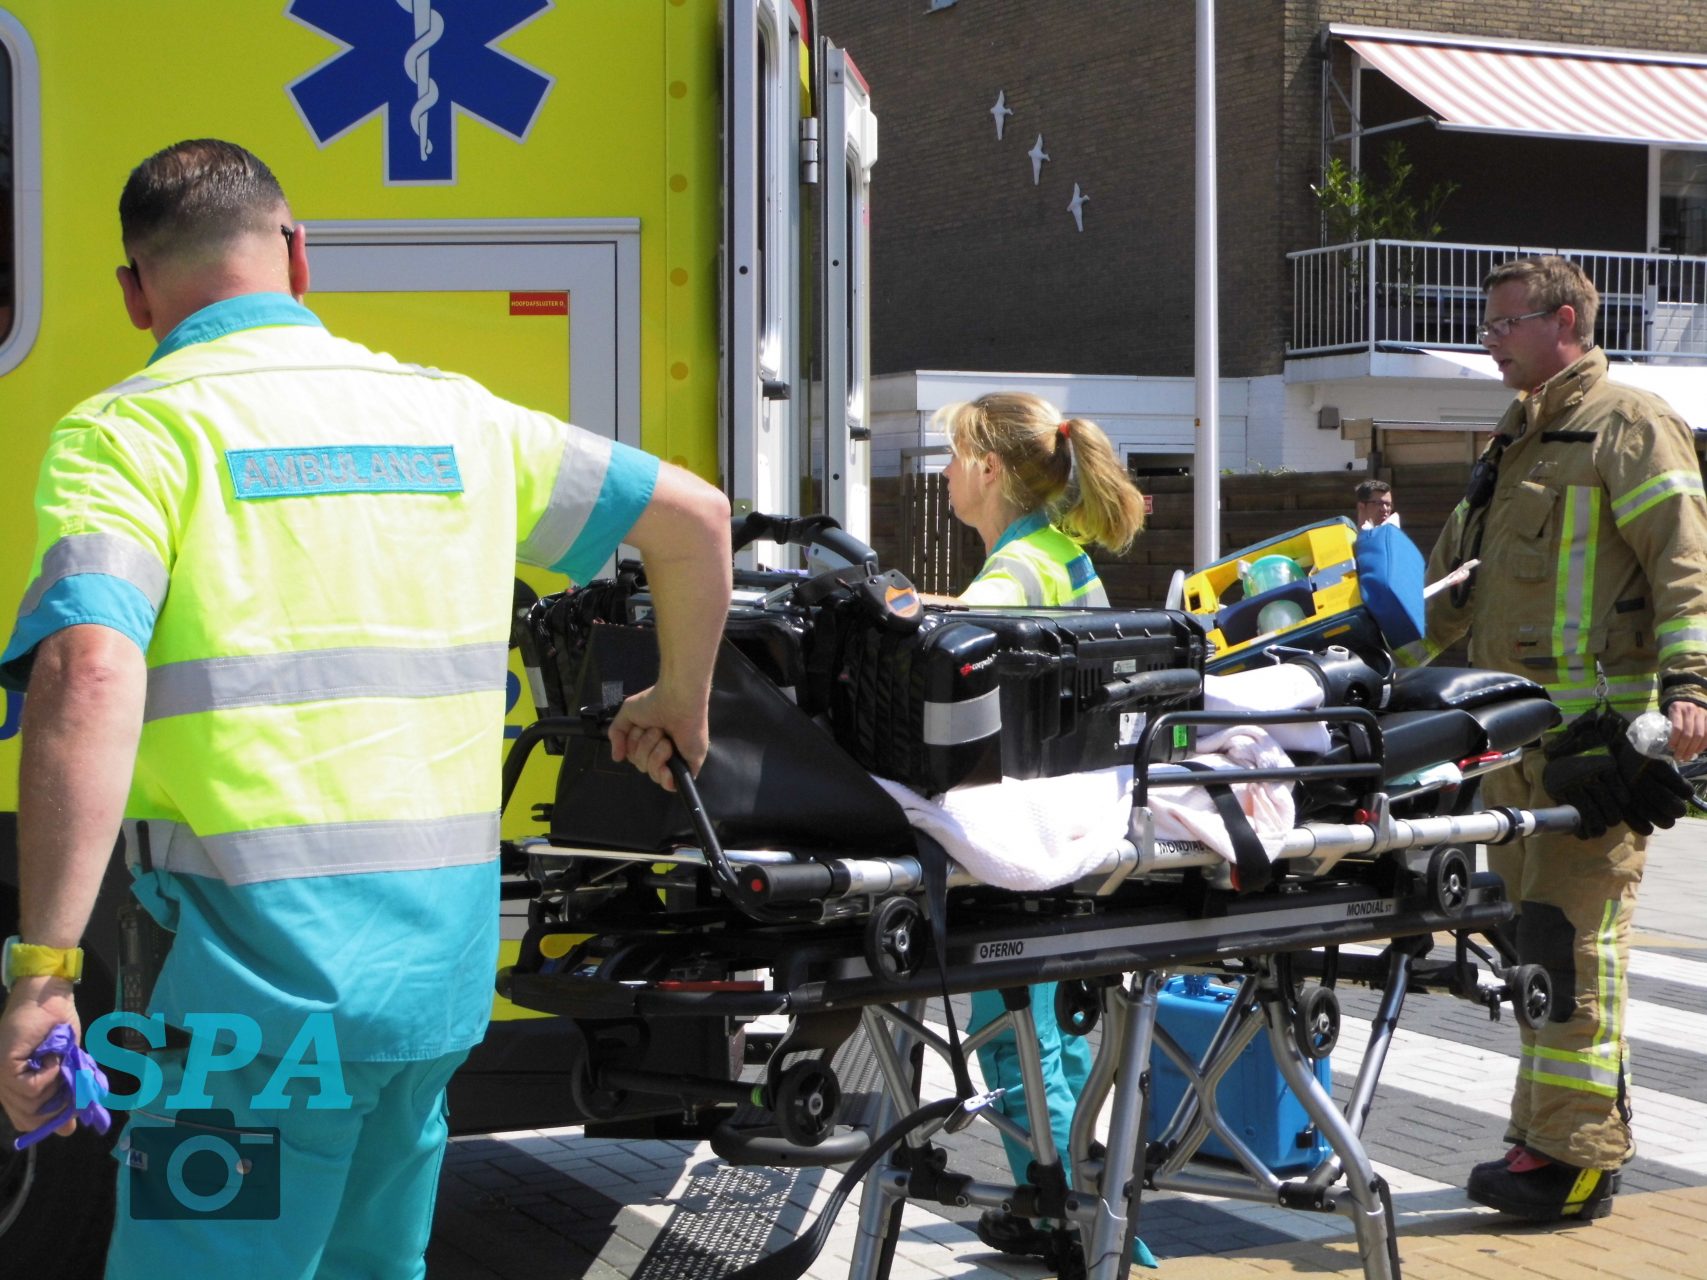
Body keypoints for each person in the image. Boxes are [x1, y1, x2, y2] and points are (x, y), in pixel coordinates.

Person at [0, 139, 732, 1278]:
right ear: (299, 255)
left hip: (249, 1018)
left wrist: (43, 969)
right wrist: (678, 696)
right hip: (431, 996)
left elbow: (89, 672)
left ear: (135, 294)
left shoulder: (131, 434)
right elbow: (695, 519)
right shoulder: (458, 419)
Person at [1403, 256, 1707, 1222]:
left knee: (1575, 949)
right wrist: (1366, 669)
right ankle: (1547, 1138)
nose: (1486, 340)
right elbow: (1452, 589)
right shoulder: (1514, 438)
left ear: (1565, 322)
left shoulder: (1629, 423)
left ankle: (1573, 1159)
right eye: (1486, 324)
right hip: (1512, 751)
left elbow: (1684, 564)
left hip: (1596, 755)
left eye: (1504, 323)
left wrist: (1690, 687)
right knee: (1534, 948)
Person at [936, 391, 1156, 1268]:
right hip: (1071, 827)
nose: (945, 472)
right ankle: (1068, 1200)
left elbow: (959, 680)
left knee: (1015, 1043)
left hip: (1016, 842)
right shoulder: (1055, 554)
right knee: (1052, 1044)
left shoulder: (1012, 574)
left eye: (953, 456)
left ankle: (1065, 1214)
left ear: (989, 469)